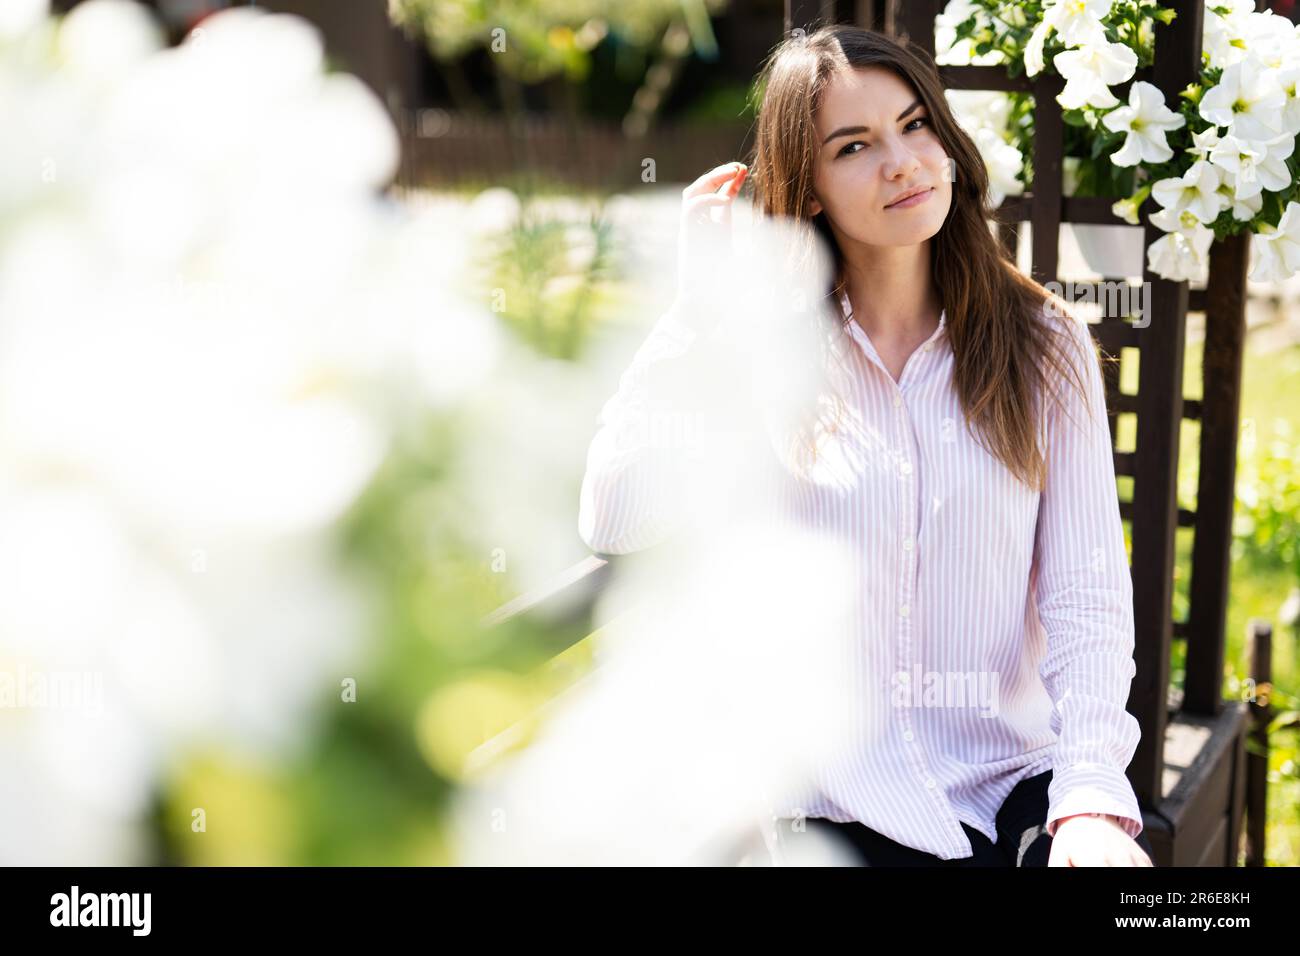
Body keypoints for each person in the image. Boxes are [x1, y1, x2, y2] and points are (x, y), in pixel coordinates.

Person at [577, 23, 1155, 867]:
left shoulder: (1043, 344)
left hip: (1015, 787)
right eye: (854, 145)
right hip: (835, 804)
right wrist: (699, 312)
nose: (902, 163)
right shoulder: (765, 352)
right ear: (805, 188)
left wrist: (1091, 798)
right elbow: (614, 514)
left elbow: (1088, 601)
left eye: (916, 125)